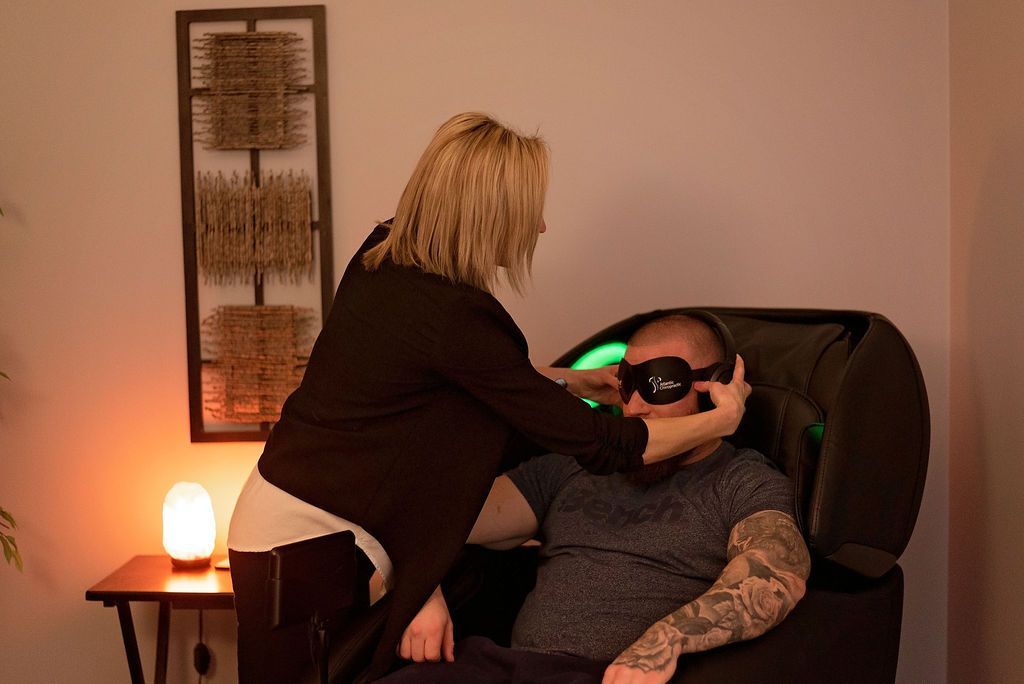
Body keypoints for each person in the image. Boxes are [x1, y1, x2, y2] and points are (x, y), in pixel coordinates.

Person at [226, 113, 752, 683]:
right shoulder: (457, 316)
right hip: (311, 539)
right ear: (493, 213)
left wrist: (571, 382)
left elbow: (445, 387)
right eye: (532, 212)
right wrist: (721, 421)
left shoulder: (387, 257)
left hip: (291, 516)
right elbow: (606, 444)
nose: (542, 227)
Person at [385, 314, 810, 684]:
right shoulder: (574, 467)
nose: (636, 406)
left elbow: (777, 575)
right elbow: (435, 509)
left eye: (659, 386)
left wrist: (664, 642)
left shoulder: (741, 480)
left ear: (715, 387)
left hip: (605, 675)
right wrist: (425, 586)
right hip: (498, 666)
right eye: (629, 385)